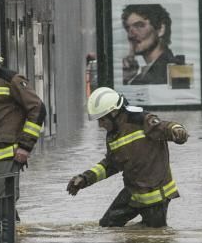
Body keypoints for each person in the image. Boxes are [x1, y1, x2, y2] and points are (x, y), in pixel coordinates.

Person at [66, 86, 189, 227]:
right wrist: (85, 179)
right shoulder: (113, 136)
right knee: (107, 226)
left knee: (154, 237)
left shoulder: (141, 120)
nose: (100, 125)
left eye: (102, 120)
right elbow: (111, 164)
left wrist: (177, 131)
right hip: (132, 193)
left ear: (114, 113)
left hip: (155, 196)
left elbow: (165, 127)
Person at [0, 29, 46, 199]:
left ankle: (13, 225)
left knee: (2, 203)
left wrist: (25, 146)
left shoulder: (11, 80)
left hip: (6, 155)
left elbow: (38, 108)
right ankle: (17, 226)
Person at [120, 4, 181, 85]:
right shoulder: (139, 76)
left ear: (161, 29)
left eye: (139, 26)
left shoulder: (175, 70)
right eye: (128, 28)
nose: (131, 35)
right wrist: (127, 78)